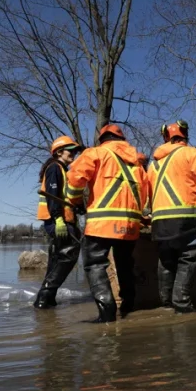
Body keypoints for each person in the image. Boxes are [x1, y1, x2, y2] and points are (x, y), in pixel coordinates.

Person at [66, 124, 148, 323]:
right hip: (129, 226)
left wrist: (75, 201)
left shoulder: (95, 153)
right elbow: (145, 193)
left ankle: (107, 313)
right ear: (122, 140)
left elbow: (75, 180)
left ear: (102, 140)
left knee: (94, 264)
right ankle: (129, 307)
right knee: (125, 264)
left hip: (101, 225)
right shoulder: (137, 163)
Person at [147, 120, 196, 314]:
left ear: (166, 138)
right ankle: (181, 304)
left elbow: (146, 193)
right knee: (187, 258)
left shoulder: (153, 165)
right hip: (186, 219)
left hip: (159, 222)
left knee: (166, 259)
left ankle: (166, 304)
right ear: (185, 135)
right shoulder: (193, 154)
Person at [34, 135, 82, 309]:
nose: (73, 154)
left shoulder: (61, 169)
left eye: (75, 151)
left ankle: (47, 301)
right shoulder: (55, 168)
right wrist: (59, 219)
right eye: (70, 151)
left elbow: (64, 196)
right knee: (69, 255)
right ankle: (44, 296)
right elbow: (52, 196)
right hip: (57, 221)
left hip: (60, 220)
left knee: (56, 261)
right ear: (59, 152)